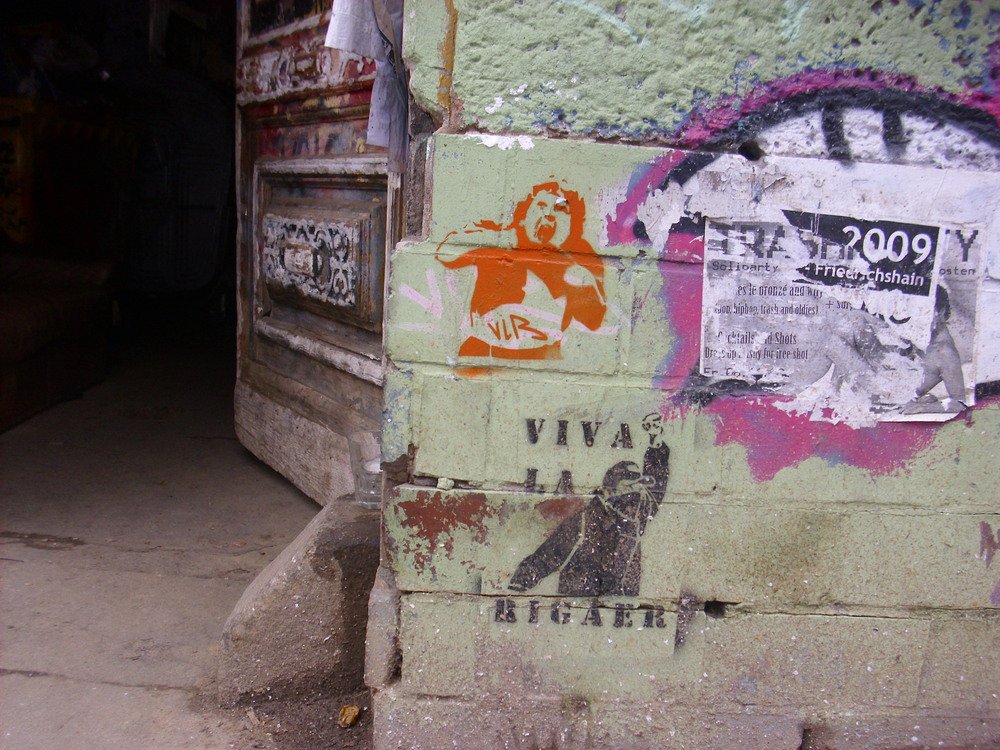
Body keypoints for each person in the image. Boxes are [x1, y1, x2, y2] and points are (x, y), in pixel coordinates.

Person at [435, 181, 606, 360]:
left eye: (560, 210)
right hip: (482, 356)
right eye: (541, 206)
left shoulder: (574, 270)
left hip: (542, 361)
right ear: (523, 216)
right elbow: (445, 254)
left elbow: (595, 322)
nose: (549, 215)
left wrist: (587, 282)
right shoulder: (497, 250)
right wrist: (499, 232)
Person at [508, 414, 669, 597]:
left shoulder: (635, 519)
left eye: (636, 492)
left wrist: (656, 444)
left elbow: (657, 487)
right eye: (628, 491)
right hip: (578, 608)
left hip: (623, 609)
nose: (634, 498)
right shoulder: (584, 522)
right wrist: (520, 583)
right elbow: (547, 556)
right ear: (609, 492)